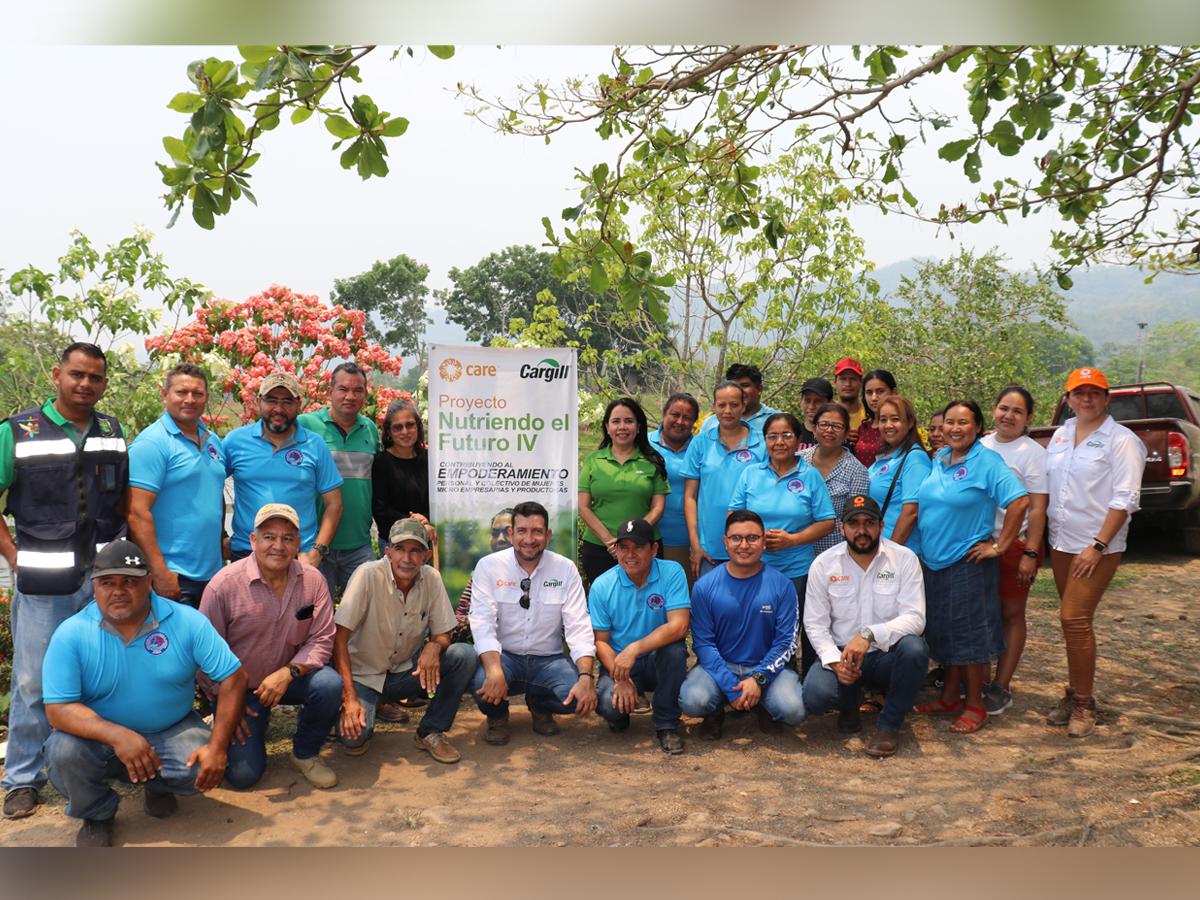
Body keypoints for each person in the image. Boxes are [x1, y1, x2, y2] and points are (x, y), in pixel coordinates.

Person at [41, 539, 246, 846]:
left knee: (205, 762)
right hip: (99, 740)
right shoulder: (71, 634)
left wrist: (217, 746)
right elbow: (58, 709)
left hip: (170, 729)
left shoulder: (186, 621)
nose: (118, 591)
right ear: (93, 586)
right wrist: (118, 736)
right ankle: (97, 814)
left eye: (130, 581)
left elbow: (234, 677)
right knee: (63, 753)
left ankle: (158, 786)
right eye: (107, 582)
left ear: (149, 582)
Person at [0, 342, 129, 821]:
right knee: (33, 680)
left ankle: (98, 762)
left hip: (102, 580)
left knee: (103, 672)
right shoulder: (19, 431)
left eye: (96, 378)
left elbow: (119, 506)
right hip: (42, 580)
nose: (86, 385)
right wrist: (13, 556)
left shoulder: (113, 432)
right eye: (77, 375)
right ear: (57, 375)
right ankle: (22, 779)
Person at [199, 504, 342, 789]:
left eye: (288, 538)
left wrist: (288, 672)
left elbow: (322, 639)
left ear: (298, 543)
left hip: (289, 679)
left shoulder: (313, 581)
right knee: (243, 776)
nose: (278, 546)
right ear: (253, 540)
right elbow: (203, 655)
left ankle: (305, 753)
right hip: (239, 689)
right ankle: (223, 728)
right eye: (269, 537)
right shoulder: (223, 585)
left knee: (328, 684)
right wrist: (226, 703)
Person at [912, 400, 1030, 734]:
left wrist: (1001, 545)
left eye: (963, 423)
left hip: (967, 563)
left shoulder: (987, 462)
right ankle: (950, 697)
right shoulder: (940, 459)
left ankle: (975, 703)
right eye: (949, 422)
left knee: (970, 636)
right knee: (946, 633)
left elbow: (1019, 501)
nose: (954, 428)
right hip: (935, 562)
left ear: (977, 427)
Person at [1044, 368, 1145, 738]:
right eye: (1079, 393)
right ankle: (1074, 693)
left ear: (1107, 398)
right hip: (1061, 543)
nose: (1086, 399)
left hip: (1097, 547)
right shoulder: (1060, 435)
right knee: (1072, 624)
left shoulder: (1122, 440)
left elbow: (1126, 498)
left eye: (1094, 393)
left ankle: (1084, 704)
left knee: (1074, 619)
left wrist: (1098, 545)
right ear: (1068, 399)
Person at [334, 519, 477, 763]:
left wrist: (434, 646)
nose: (407, 558)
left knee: (463, 655)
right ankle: (350, 709)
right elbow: (339, 638)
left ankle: (430, 731)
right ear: (387, 552)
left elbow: (444, 633)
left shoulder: (431, 578)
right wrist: (349, 697)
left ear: (426, 555)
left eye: (415, 551)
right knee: (355, 739)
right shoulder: (367, 575)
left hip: (404, 673)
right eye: (400, 549)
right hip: (363, 676)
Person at [802, 495, 929, 757]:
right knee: (814, 695)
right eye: (854, 523)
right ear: (842, 528)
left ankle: (889, 725)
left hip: (886, 655)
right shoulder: (824, 564)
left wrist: (869, 635)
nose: (862, 531)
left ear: (881, 525)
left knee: (915, 649)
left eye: (869, 522)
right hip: (843, 655)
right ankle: (849, 706)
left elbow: (916, 617)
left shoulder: (904, 559)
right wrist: (835, 662)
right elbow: (814, 624)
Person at [468, 501, 597, 744]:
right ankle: (497, 717)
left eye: (537, 531)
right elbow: (482, 622)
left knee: (580, 698)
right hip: (506, 657)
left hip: (549, 660)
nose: (529, 539)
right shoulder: (488, 567)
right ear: (511, 534)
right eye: (522, 531)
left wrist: (586, 676)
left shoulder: (565, 569)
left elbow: (578, 625)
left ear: (548, 535)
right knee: (481, 683)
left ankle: (539, 705)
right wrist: (494, 669)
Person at [679, 510, 805, 738]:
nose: (744, 545)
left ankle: (763, 705)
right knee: (693, 701)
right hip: (721, 665)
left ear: (764, 542)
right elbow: (703, 644)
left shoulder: (782, 585)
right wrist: (729, 685)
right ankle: (715, 711)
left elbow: (787, 642)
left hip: (766, 667)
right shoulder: (704, 586)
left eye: (752, 538)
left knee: (793, 709)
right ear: (725, 543)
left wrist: (758, 679)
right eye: (736, 538)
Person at [729, 412, 836, 675]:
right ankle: (761, 679)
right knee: (760, 625)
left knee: (799, 627)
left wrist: (792, 540)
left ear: (799, 440)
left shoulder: (810, 476)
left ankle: (806, 682)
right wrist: (753, 539)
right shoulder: (750, 474)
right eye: (772, 436)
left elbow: (827, 522)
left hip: (797, 570)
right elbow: (733, 515)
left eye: (787, 435)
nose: (779, 442)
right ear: (764, 440)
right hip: (756, 569)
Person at [127, 362, 226, 609]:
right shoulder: (152, 443)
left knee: (204, 647)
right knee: (168, 647)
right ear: (165, 395)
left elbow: (214, 493)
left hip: (212, 575)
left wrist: (222, 539)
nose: (189, 399)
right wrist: (159, 572)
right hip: (174, 576)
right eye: (181, 392)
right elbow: (136, 512)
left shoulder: (212, 441)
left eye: (197, 393)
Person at [589, 518, 690, 754]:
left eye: (638, 547)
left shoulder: (672, 572)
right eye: (623, 547)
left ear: (654, 549)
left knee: (674, 651)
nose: (630, 554)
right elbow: (600, 642)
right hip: (620, 664)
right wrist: (619, 677)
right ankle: (621, 710)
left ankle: (666, 724)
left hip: (655, 659)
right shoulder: (602, 585)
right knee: (608, 705)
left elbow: (679, 626)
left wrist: (634, 649)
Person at [223, 372, 343, 566]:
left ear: (298, 404)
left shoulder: (315, 445)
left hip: (298, 555)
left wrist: (317, 551)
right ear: (258, 401)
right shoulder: (235, 442)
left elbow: (334, 504)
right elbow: (209, 485)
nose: (278, 408)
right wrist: (221, 535)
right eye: (271, 400)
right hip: (247, 553)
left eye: (287, 401)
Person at [979, 385, 1049, 716]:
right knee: (981, 614)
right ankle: (975, 680)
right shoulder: (980, 446)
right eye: (1004, 408)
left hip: (1014, 545)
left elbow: (1037, 508)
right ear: (994, 409)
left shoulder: (1032, 453)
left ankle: (1001, 685)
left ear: (1029, 418)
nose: (1009, 415)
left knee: (1011, 613)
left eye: (1017, 411)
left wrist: (1031, 553)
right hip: (977, 542)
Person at [297, 362, 381, 599]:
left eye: (358, 390)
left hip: (359, 544)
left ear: (365, 394)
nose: (350, 396)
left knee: (364, 617)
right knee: (313, 617)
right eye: (343, 389)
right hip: (315, 545)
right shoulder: (305, 425)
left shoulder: (370, 430)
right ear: (330, 392)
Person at [578, 397, 670, 586]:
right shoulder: (593, 460)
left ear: (638, 427)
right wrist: (611, 542)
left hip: (644, 547)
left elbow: (658, 507)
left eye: (629, 421)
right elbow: (583, 507)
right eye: (616, 421)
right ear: (607, 426)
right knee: (605, 603)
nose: (622, 427)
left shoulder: (652, 460)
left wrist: (634, 537)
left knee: (647, 602)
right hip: (600, 548)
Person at [683, 381, 766, 580]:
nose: (727, 410)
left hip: (749, 547)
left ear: (743, 406)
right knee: (709, 607)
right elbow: (690, 497)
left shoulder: (761, 444)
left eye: (734, 405)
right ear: (713, 407)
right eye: (721, 405)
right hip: (708, 550)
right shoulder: (700, 443)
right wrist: (695, 545)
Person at [801, 402, 871, 560]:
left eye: (837, 426)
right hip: (796, 552)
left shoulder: (856, 470)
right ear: (814, 428)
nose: (829, 430)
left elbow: (855, 519)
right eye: (824, 424)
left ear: (846, 433)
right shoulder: (798, 460)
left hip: (834, 557)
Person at [867, 395, 933, 560]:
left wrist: (890, 554)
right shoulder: (885, 456)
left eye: (895, 419)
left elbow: (911, 512)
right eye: (883, 420)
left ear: (910, 422)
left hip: (900, 554)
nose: (888, 425)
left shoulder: (915, 458)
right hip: (877, 549)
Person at [648, 392, 700, 585]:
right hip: (648, 539)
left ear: (694, 422)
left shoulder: (700, 446)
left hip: (687, 542)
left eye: (687, 417)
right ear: (664, 415)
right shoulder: (644, 444)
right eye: (675, 414)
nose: (680, 421)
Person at [450, 508, 513, 645]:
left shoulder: (533, 573)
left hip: (522, 651)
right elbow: (460, 615)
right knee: (459, 653)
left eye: (508, 532)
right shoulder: (481, 573)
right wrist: (471, 622)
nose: (500, 539)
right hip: (482, 646)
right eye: (495, 534)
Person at [371, 397, 430, 543]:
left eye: (410, 425)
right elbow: (380, 509)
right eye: (398, 427)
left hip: (426, 540)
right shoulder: (381, 462)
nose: (405, 431)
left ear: (418, 427)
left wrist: (425, 520)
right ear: (389, 432)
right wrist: (414, 523)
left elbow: (437, 500)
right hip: (393, 542)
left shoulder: (429, 459)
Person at [699, 363, 779, 434]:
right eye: (734, 386)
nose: (739, 391)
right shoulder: (711, 423)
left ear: (759, 389)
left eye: (745, 385)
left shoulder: (778, 420)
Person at [852, 369, 896, 467]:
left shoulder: (899, 427)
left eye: (880, 391)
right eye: (869, 392)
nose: (874, 398)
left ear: (893, 392)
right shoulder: (863, 428)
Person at [832, 357, 866, 447]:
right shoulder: (825, 414)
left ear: (861, 382)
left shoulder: (870, 414)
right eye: (843, 379)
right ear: (834, 382)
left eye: (853, 379)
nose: (848, 384)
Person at [798, 377, 834, 451]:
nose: (811, 406)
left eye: (818, 401)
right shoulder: (793, 434)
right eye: (807, 400)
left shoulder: (838, 437)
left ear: (830, 403)